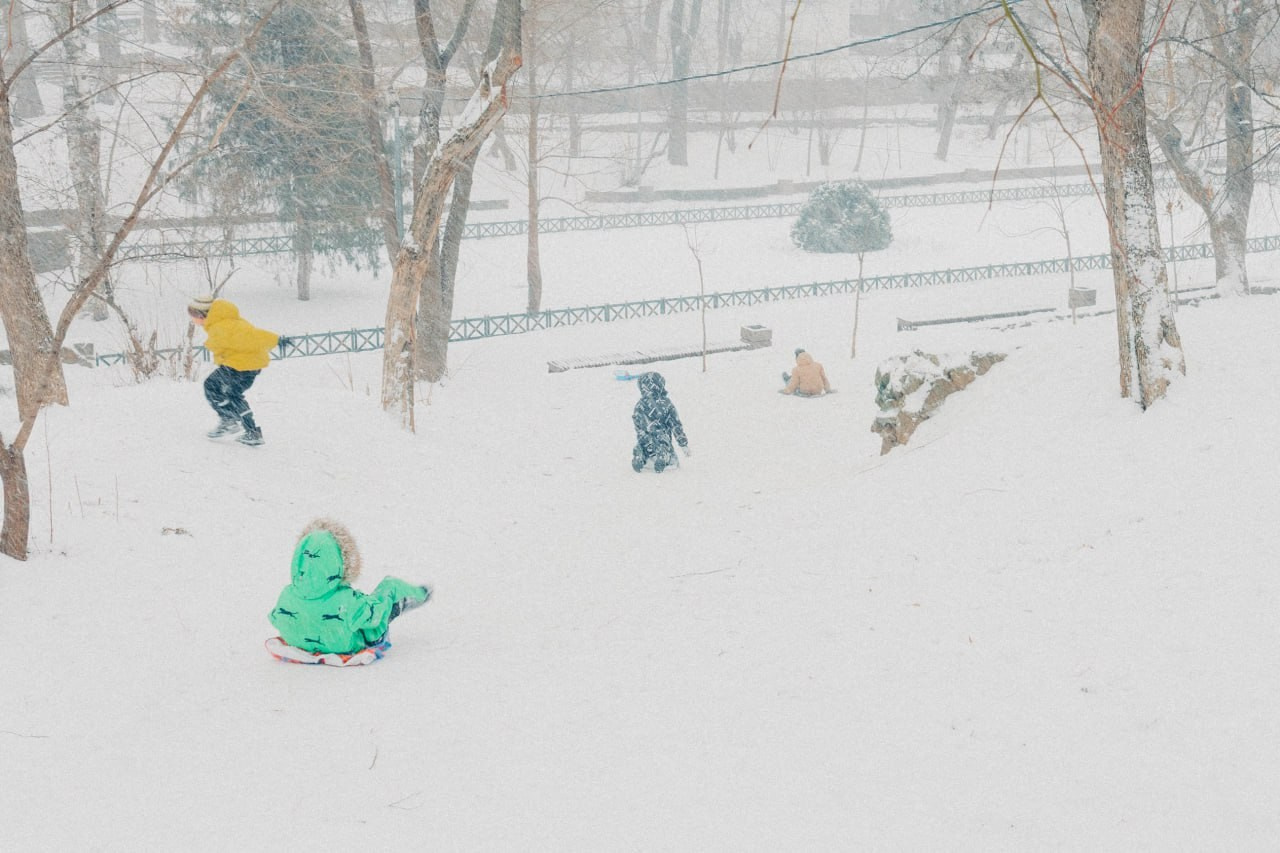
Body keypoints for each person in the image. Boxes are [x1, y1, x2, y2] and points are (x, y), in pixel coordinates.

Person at [269, 518, 431, 655]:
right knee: (389, 589)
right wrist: (370, 604)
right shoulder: (346, 600)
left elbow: (275, 618)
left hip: (298, 642)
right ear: (340, 562)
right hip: (343, 645)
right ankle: (420, 594)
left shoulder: (286, 594)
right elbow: (371, 617)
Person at [188, 293, 288, 446]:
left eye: (193, 316)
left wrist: (276, 339)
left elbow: (253, 336)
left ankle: (229, 420)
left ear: (202, 315)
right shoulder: (225, 322)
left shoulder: (223, 326)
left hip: (239, 366)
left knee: (211, 386)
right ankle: (252, 432)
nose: (193, 320)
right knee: (233, 394)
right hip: (249, 366)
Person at [631, 371, 690, 473]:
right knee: (664, 445)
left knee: (644, 445)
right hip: (661, 437)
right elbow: (675, 424)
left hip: (645, 438)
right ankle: (664, 455)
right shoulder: (665, 403)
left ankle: (641, 454)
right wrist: (683, 443)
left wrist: (641, 434)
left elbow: (637, 422)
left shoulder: (639, 405)